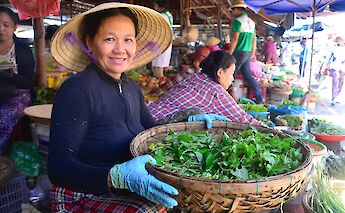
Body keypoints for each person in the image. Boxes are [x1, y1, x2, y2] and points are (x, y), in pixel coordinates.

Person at [47, 3, 228, 212]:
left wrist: (186, 120)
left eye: (128, 40)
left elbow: (152, 132)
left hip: (123, 190)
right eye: (109, 39)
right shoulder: (78, 89)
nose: (120, 49)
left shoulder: (131, 87)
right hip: (83, 195)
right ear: (90, 42)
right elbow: (59, 168)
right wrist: (115, 176)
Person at [149, 50, 264, 126]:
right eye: (231, 73)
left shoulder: (196, 77)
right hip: (152, 128)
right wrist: (274, 131)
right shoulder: (216, 92)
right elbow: (245, 120)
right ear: (220, 72)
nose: (232, 78)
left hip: (145, 118)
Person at [0, 7, 34, 153]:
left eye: (5, 25)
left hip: (18, 94)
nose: (0, 29)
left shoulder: (22, 50)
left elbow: (27, 83)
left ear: (14, 27)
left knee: (5, 114)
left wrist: (10, 75)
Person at [228, 0, 263, 104]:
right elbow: (254, 39)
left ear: (237, 9)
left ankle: (228, 98)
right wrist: (253, 52)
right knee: (247, 74)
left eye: (233, 10)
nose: (232, 13)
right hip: (247, 52)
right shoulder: (251, 22)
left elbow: (235, 39)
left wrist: (229, 52)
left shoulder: (237, 21)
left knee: (231, 74)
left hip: (239, 52)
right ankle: (259, 97)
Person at [151, 0, 173, 78]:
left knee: (158, 65)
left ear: (156, 5)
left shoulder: (161, 16)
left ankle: (161, 83)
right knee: (158, 64)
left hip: (161, 42)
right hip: (166, 42)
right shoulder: (169, 14)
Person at [330, 36, 345, 105]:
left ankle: (337, 96)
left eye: (341, 40)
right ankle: (333, 97)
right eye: (338, 40)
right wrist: (324, 66)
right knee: (335, 81)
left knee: (341, 82)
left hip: (342, 67)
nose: (340, 41)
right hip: (334, 66)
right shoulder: (333, 48)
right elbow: (328, 57)